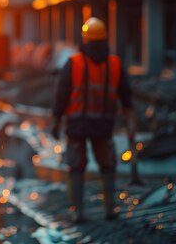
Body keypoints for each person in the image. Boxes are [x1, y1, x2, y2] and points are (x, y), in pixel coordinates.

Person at [50, 17, 134, 223]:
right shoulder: (115, 64)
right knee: (107, 166)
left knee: (76, 167)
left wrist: (55, 121)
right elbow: (127, 97)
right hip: (103, 125)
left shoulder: (73, 63)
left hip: (77, 125)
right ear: (105, 38)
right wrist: (130, 121)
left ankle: (78, 212)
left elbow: (61, 96)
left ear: (85, 38)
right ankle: (109, 210)